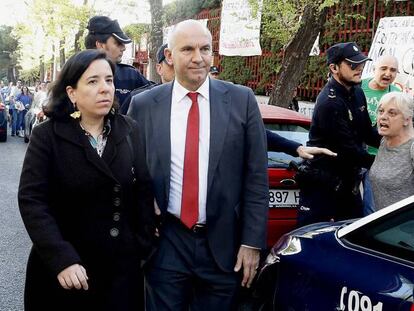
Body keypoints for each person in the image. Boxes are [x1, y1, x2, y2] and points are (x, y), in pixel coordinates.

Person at [128, 19, 268, 310]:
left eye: (205, 49)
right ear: (169, 55)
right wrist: (143, 203)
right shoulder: (144, 105)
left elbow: (256, 178)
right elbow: (130, 170)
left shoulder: (241, 100)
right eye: (188, 49)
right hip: (166, 242)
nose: (198, 57)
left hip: (223, 246)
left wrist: (252, 242)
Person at [18, 49, 155, 311]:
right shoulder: (48, 135)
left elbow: (143, 191)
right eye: (93, 81)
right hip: (66, 272)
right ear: (72, 93)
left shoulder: (129, 130)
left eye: (109, 80)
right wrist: (61, 258)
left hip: (120, 274)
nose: (105, 89)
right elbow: (32, 200)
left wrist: (142, 246)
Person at [298, 42, 381, 226]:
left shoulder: (358, 93)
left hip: (348, 183)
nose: (359, 68)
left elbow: (368, 132)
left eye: (361, 63)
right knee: (314, 239)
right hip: (323, 185)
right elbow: (349, 149)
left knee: (354, 236)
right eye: (352, 64)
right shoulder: (329, 102)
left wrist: (398, 144)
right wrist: (386, 164)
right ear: (334, 68)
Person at [360, 55, 400, 214]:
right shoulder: (358, 87)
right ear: (374, 69)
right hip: (353, 155)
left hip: (378, 159)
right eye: (384, 68)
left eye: (393, 70)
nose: (388, 73)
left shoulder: (397, 95)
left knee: (372, 209)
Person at [85, 15, 150, 111]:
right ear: (100, 45)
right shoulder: (75, 74)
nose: (123, 48)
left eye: (109, 80)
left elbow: (157, 96)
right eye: (118, 43)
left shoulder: (130, 75)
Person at [369, 92, 414, 210]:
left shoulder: (412, 148)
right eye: (381, 111)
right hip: (382, 224)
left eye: (392, 113)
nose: (383, 117)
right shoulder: (384, 140)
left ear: (407, 120)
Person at [120, 43, 173, 114]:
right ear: (159, 68)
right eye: (172, 64)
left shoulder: (192, 98)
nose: (179, 68)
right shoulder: (139, 99)